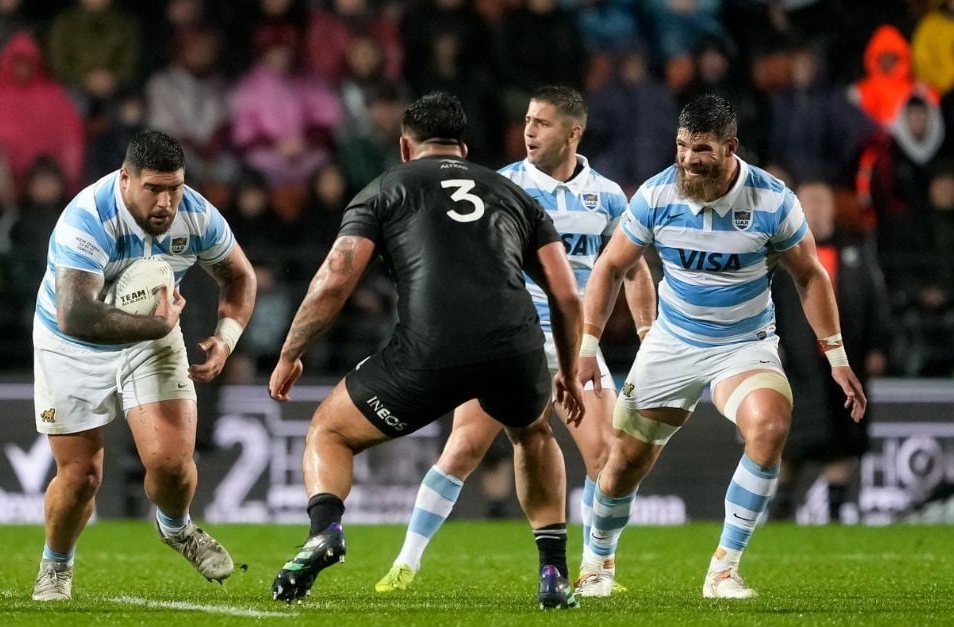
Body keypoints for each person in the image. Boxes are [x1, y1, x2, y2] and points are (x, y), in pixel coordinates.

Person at [267, 92, 587, 609]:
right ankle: (554, 572)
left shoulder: (386, 187)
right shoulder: (513, 193)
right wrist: (568, 371)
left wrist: (290, 352)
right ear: (463, 147)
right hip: (514, 347)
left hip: (430, 351)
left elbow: (335, 280)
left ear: (404, 146)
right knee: (533, 434)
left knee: (329, 430)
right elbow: (568, 295)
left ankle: (325, 530)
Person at [577, 95, 867, 599]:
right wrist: (587, 344)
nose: (688, 159)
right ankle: (597, 563)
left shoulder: (772, 200)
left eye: (702, 149)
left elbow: (810, 276)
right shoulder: (657, 194)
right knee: (621, 464)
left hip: (744, 345)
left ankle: (724, 571)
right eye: (682, 146)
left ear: (731, 147)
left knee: (770, 427)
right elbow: (611, 266)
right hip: (673, 343)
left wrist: (836, 356)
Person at [372, 85, 656, 598]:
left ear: (573, 133)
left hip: (577, 345)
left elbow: (632, 269)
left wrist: (646, 334)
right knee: (463, 447)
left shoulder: (610, 196)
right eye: (527, 120)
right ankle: (405, 562)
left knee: (607, 457)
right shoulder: (502, 186)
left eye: (542, 123)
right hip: (509, 340)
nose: (528, 131)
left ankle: (597, 568)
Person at [29, 130, 256, 601]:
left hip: (152, 334)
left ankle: (176, 527)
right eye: (153, 188)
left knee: (172, 466)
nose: (166, 202)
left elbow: (240, 275)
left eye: (174, 188)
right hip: (72, 343)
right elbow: (77, 314)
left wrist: (227, 337)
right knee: (80, 476)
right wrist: (157, 325)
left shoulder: (197, 215)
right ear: (125, 179)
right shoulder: (88, 218)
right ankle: (56, 565)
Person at [769, 181, 889, 524]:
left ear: (833, 208)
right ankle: (779, 514)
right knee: (792, 445)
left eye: (823, 202)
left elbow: (875, 301)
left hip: (844, 364)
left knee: (841, 444)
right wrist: (772, 344)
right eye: (810, 202)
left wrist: (878, 346)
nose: (817, 209)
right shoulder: (781, 255)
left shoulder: (855, 251)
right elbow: (766, 304)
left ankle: (835, 517)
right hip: (798, 365)